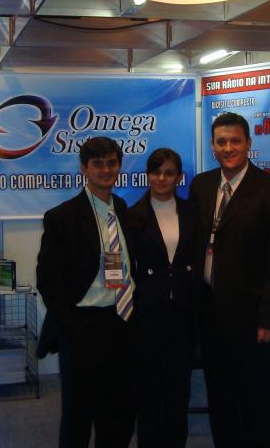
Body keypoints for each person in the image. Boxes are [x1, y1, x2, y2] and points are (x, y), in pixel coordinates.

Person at [189, 112, 270, 448]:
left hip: (257, 323)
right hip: (212, 318)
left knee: (259, 407)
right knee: (221, 402)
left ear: (248, 143)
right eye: (221, 142)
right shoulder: (202, 186)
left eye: (235, 141)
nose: (228, 148)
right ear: (212, 146)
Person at [36, 136, 136, 448]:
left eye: (112, 163)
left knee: (119, 413)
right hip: (83, 327)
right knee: (78, 416)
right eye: (98, 164)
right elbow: (48, 281)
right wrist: (71, 327)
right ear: (84, 168)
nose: (106, 170)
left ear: (119, 166)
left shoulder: (123, 209)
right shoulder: (62, 217)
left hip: (122, 322)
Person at [128, 148, 198, 448]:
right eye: (156, 172)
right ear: (148, 175)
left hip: (183, 315)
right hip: (147, 317)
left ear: (179, 177)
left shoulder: (193, 213)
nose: (162, 178)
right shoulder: (133, 216)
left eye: (169, 173)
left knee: (178, 394)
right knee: (148, 395)